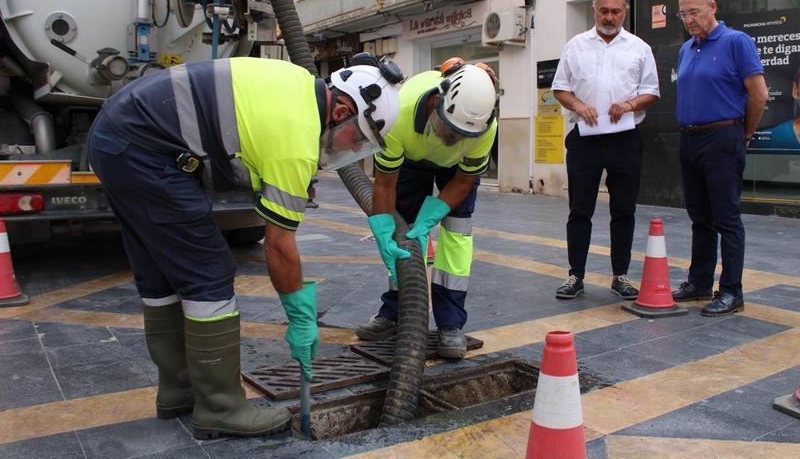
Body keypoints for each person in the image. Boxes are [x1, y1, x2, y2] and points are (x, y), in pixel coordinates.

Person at [87, 53, 402, 438]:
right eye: (357, 137)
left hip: (118, 135)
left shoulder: (296, 83)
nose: (351, 148)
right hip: (145, 150)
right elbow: (278, 246)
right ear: (341, 109)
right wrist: (301, 318)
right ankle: (220, 407)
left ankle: (179, 390)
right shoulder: (298, 139)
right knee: (209, 272)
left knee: (160, 271)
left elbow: (239, 140)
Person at [355, 61, 498, 360]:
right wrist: (383, 229)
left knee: (457, 233)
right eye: (449, 128)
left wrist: (433, 215)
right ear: (437, 100)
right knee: (402, 234)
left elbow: (463, 180)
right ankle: (395, 313)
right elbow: (384, 185)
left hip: (457, 169)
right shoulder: (398, 114)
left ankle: (451, 324)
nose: (453, 139)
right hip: (410, 159)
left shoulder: (485, 127)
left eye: (462, 135)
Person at [550, 0, 660, 301]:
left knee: (623, 210)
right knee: (579, 209)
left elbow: (652, 91)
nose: (609, 17)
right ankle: (575, 276)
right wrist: (578, 106)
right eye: (604, 11)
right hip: (585, 139)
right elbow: (560, 88)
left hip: (626, 138)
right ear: (594, 10)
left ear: (624, 11)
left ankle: (620, 276)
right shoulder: (575, 46)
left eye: (615, 11)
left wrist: (629, 105)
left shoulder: (639, 48)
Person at [672, 0, 768, 316]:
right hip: (690, 138)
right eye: (683, 14)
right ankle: (699, 282)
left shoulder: (736, 42)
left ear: (713, 7)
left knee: (726, 217)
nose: (688, 20)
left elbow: (759, 94)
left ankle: (731, 290)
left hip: (722, 137)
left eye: (694, 12)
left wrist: (745, 133)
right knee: (699, 217)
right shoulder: (686, 49)